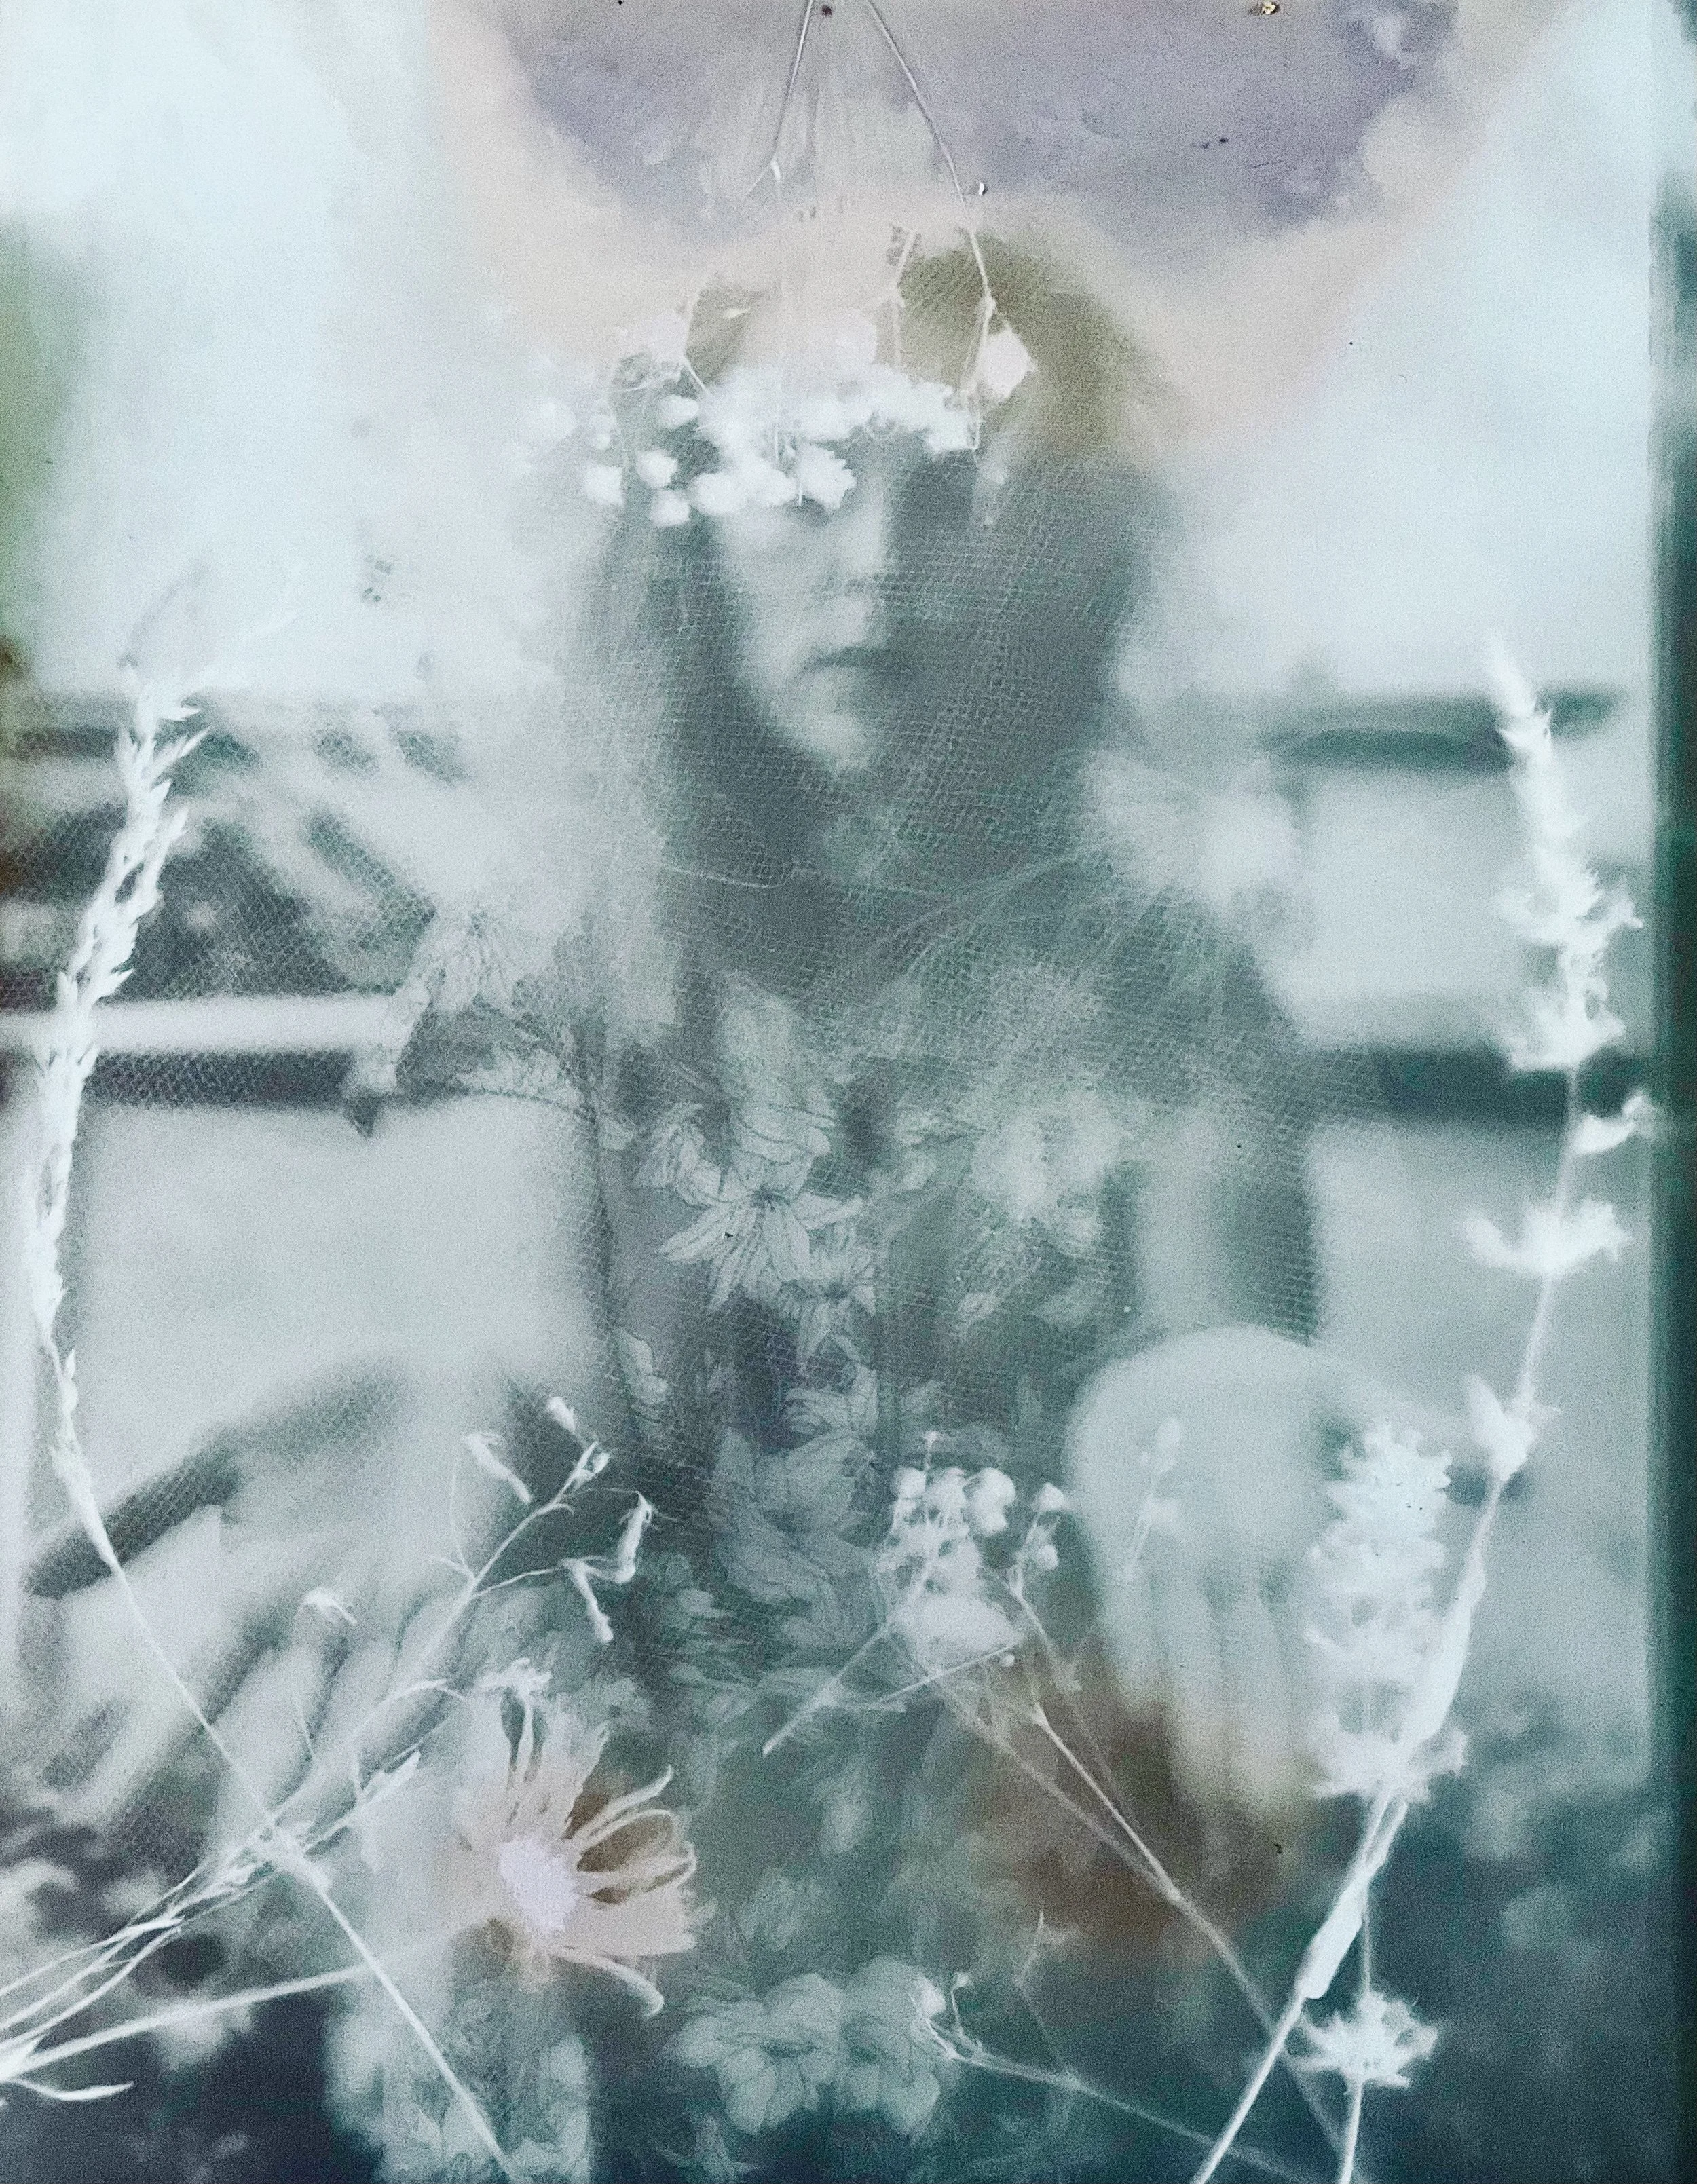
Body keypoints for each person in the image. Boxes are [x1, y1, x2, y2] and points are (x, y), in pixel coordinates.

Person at [17, 242, 1422, 2176]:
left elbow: (1216, 1323)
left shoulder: (1160, 985)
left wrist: (1220, 1391)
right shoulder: (549, 959)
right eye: (802, 481)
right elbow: (520, 1361)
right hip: (637, 1870)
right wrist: (461, 1429)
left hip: (1048, 1900)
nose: (875, 565)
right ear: (672, 536)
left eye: (963, 486)